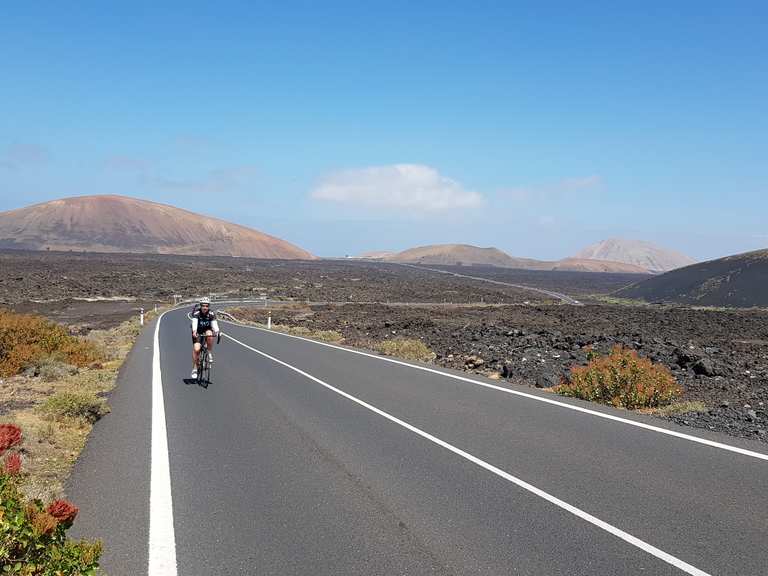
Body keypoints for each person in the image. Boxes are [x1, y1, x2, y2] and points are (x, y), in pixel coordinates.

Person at [191, 297, 220, 379]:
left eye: (207, 306)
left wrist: (217, 332)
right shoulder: (197, 313)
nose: (205, 307)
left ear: (208, 306)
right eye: (203, 306)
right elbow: (194, 323)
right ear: (200, 306)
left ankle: (209, 353)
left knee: (210, 334)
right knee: (196, 349)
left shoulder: (211, 314)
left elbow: (214, 324)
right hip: (198, 332)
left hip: (207, 330)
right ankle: (195, 369)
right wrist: (194, 331)